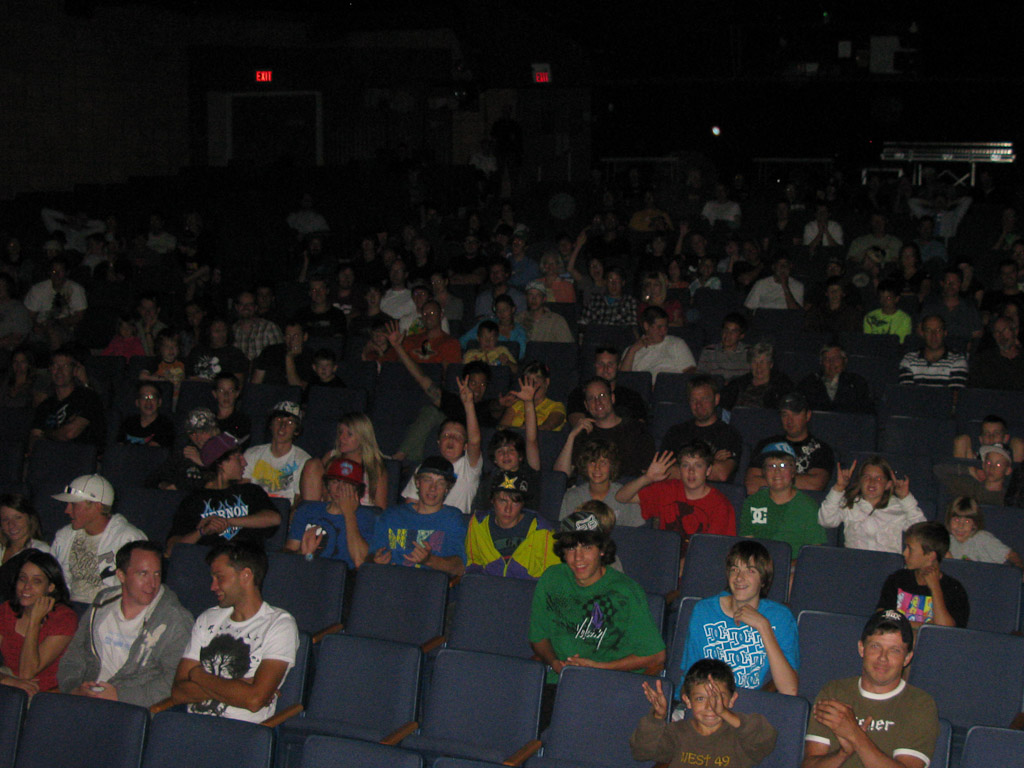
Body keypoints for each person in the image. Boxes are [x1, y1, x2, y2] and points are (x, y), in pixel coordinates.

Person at [170, 541, 298, 722]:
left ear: (246, 576)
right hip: (193, 725)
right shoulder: (208, 618)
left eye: (219, 577)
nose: (213, 586)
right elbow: (178, 692)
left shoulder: (279, 624)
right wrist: (240, 686)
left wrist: (198, 675)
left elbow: (254, 700)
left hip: (239, 732)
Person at [57, 540, 193, 706]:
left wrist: (121, 696)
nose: (152, 584)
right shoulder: (102, 603)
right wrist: (74, 689)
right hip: (86, 699)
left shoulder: (175, 620)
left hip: (131, 708)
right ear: (121, 575)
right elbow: (74, 656)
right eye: (143, 574)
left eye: (157, 574)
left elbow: (176, 680)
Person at [528, 522, 666, 686]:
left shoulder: (624, 592)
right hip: (560, 682)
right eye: (571, 548)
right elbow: (538, 638)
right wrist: (554, 662)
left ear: (601, 550)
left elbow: (656, 656)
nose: (578, 557)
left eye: (587, 547)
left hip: (609, 684)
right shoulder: (552, 579)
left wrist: (598, 668)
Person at [802, 610, 938, 768]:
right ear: (861, 648)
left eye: (894, 650)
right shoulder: (834, 692)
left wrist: (856, 735)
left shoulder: (920, 704)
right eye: (875, 646)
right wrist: (843, 753)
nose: (883, 658)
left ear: (907, 658)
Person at [680, 540, 798, 694]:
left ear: (763, 580)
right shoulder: (704, 611)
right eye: (734, 569)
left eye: (750, 571)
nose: (739, 578)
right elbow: (690, 677)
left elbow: (789, 690)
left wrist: (763, 627)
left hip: (751, 704)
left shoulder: (780, 617)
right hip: (709, 700)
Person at [631, 659, 777, 768]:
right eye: (700, 699)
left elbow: (765, 741)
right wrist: (657, 717)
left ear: (732, 699)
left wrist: (725, 713)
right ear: (688, 701)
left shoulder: (740, 736)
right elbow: (642, 752)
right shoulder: (677, 733)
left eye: (718, 698)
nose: (710, 706)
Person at [618, 443, 736, 566]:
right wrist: (647, 478)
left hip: (699, 565)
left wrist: (677, 569)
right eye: (685, 465)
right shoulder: (668, 489)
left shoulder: (720, 504)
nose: (691, 471)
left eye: (698, 465)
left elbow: (711, 549)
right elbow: (622, 497)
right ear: (679, 470)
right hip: (663, 559)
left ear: (708, 470)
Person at [166, 434, 281, 557]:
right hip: (209, 560)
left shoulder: (250, 491)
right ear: (221, 463)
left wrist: (228, 521)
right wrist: (202, 531)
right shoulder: (194, 500)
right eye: (238, 457)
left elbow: (274, 518)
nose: (244, 463)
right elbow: (171, 549)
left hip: (245, 558)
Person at [51, 475, 146, 605]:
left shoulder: (129, 539)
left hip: (110, 610)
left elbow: (139, 589)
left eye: (73, 505)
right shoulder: (64, 536)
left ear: (97, 506)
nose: (67, 510)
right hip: (69, 608)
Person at [372, 456, 467, 576]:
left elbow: (459, 567)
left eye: (441, 483)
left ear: (447, 489)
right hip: (390, 581)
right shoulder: (392, 515)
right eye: (427, 480)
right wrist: (376, 561)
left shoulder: (452, 518)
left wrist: (429, 560)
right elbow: (370, 556)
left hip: (428, 584)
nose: (433, 488)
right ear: (418, 483)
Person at [0, 551, 77, 695]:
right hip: (9, 683)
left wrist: (34, 621)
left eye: (36, 581)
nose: (26, 587)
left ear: (50, 587)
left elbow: (27, 673)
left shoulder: (64, 619)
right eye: (23, 579)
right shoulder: (6, 610)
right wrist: (7, 680)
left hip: (43, 694)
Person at [818, 457, 926, 554]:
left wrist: (905, 497)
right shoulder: (849, 504)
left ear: (888, 484)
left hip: (887, 564)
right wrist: (839, 487)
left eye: (878, 478)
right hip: (855, 561)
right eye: (866, 477)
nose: (872, 482)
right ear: (860, 481)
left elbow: (920, 531)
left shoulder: (898, 506)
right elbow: (826, 520)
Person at [465, 470, 559, 579]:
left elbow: (554, 575)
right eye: (502, 501)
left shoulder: (543, 530)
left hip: (528, 588)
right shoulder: (478, 523)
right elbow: (473, 563)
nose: (508, 509)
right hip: (489, 587)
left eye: (515, 502)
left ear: (523, 504)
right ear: (492, 501)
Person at [554, 376, 654, 478]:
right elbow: (560, 476)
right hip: (588, 487)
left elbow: (648, 473)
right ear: (586, 405)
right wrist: (571, 437)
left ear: (612, 398)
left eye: (602, 395)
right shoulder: (584, 432)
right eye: (591, 398)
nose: (597, 402)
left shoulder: (636, 429)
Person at [739, 445, 826, 560]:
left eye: (783, 466)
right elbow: (747, 543)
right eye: (771, 466)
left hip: (794, 566)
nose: (777, 471)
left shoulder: (808, 506)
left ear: (793, 472)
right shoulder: (753, 502)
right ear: (764, 472)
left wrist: (788, 567)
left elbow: (814, 551)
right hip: (759, 565)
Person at [285, 458, 375, 570]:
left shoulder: (367, 516)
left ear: (357, 490)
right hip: (307, 571)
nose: (340, 488)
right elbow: (289, 553)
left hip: (346, 576)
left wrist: (349, 514)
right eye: (335, 482)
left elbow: (360, 562)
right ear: (327, 485)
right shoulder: (307, 510)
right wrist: (305, 554)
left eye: (347, 484)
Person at [876, 521, 969, 627]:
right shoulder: (898, 579)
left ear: (930, 556)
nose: (904, 553)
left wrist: (935, 588)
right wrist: (925, 626)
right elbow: (882, 619)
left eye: (910, 549)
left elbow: (945, 630)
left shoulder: (953, 589)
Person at [744, 392, 834, 495]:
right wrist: (791, 481)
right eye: (785, 415)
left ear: (808, 415)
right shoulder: (767, 444)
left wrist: (773, 480)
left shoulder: (821, 449)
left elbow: (814, 485)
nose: (789, 420)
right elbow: (751, 485)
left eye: (795, 414)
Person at [660, 375, 743, 482]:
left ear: (716, 399)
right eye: (694, 400)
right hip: (676, 489)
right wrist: (711, 460)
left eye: (704, 399)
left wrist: (682, 465)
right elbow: (663, 471)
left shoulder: (729, 433)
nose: (698, 405)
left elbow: (721, 474)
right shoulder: (675, 432)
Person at [300, 412, 390, 509]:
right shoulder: (331, 457)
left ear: (363, 437)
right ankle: (309, 513)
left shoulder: (374, 467)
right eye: (340, 432)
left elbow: (380, 509)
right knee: (313, 464)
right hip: (328, 511)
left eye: (349, 434)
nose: (341, 438)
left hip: (359, 514)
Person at [29, 346, 106, 452]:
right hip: (49, 456)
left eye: (65, 366)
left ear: (74, 371)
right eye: (55, 366)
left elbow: (70, 433)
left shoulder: (88, 398)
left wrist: (46, 434)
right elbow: (33, 440)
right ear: (50, 370)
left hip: (79, 455)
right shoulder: (45, 405)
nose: (59, 371)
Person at [242, 401, 311, 507]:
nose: (282, 426)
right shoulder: (252, 454)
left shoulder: (303, 460)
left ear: (296, 430)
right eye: (279, 420)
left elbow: (299, 499)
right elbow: (243, 490)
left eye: (290, 422)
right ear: (271, 425)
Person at [559, 438, 642, 525]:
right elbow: (565, 528)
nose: (597, 468)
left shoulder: (627, 495)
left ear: (612, 466)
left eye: (603, 463)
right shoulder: (573, 496)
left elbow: (636, 530)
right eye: (592, 462)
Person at [566, 347, 648, 426]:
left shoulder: (632, 397)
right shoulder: (580, 394)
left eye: (610, 364)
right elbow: (579, 424)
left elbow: (640, 427)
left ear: (618, 366)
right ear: (595, 365)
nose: (605, 369)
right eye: (601, 364)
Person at [23, 254, 87, 349]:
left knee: (54, 332)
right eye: (53, 271)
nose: (56, 275)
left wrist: (58, 323)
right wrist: (39, 326)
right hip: (41, 327)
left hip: (66, 327)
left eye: (60, 271)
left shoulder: (75, 289)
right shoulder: (38, 289)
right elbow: (29, 316)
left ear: (67, 272)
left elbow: (79, 316)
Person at [148, 407, 219, 492]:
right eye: (193, 433)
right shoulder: (184, 451)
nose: (198, 438)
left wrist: (202, 462)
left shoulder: (223, 451)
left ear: (214, 432)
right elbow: (154, 479)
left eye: (204, 432)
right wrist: (164, 485)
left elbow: (222, 482)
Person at [944, 495, 1023, 569]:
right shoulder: (946, 541)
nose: (960, 526)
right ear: (949, 520)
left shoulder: (982, 538)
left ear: (974, 524)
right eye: (956, 520)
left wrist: (1020, 568)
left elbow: (1011, 555)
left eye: (967, 521)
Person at [620, 306, 696, 382]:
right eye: (659, 327)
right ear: (646, 326)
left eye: (665, 327)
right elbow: (624, 379)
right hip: (643, 387)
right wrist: (632, 350)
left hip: (671, 385)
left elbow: (690, 371)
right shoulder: (631, 350)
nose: (663, 331)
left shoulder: (676, 343)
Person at [797, 344, 874, 414]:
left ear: (845, 361)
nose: (831, 363)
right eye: (827, 359)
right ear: (821, 362)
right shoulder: (809, 382)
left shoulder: (856, 382)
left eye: (836, 358)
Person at [0, 495, 49, 602]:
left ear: (29, 519)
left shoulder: (40, 550)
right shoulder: (1, 549)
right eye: (5, 519)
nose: (11, 524)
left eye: (18, 518)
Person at [933, 442, 1014, 507]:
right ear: (983, 465)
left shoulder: (1009, 498)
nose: (991, 468)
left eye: (998, 465)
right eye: (989, 462)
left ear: (1008, 470)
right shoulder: (969, 486)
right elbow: (939, 470)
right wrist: (969, 470)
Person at [897, 314, 968, 388]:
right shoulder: (909, 359)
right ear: (922, 333)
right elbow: (906, 392)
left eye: (938, 330)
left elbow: (955, 393)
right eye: (928, 330)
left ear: (945, 333)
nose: (933, 335)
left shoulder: (957, 360)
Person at [720, 342, 794, 412]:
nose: (758, 367)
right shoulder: (739, 384)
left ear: (770, 364)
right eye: (754, 362)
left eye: (762, 362)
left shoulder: (781, 386)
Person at [499, 360, 566, 431]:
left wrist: (524, 430)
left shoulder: (556, 406)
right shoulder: (517, 404)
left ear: (546, 382)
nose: (531, 387)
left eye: (535, 382)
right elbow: (502, 428)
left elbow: (547, 427)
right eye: (528, 382)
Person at [251, 320, 313, 390]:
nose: (291, 340)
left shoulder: (309, 356)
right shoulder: (270, 351)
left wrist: (289, 358)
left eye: (296, 336)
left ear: (305, 337)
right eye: (288, 336)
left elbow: (298, 389)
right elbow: (256, 383)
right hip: (269, 392)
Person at [969, 314, 1024, 389]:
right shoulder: (984, 360)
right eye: (997, 332)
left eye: (1004, 330)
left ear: (1015, 331)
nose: (1001, 336)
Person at [116, 381, 175, 448]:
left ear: (159, 402)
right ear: (137, 402)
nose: (148, 402)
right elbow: (119, 446)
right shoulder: (128, 423)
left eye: (152, 397)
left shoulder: (166, 426)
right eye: (144, 397)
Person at [232, 289, 283, 362]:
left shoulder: (269, 327)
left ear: (255, 307)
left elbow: (280, 357)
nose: (246, 307)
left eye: (250, 304)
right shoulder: (232, 330)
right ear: (236, 307)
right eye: (242, 304)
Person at [697, 313, 750, 383]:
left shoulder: (749, 352)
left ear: (741, 336)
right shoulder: (708, 351)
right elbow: (700, 377)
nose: (728, 335)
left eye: (733, 332)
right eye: (726, 330)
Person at [211, 372, 251, 446]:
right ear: (215, 393)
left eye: (231, 391)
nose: (226, 395)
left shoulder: (242, 421)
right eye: (221, 390)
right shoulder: (209, 419)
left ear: (237, 393)